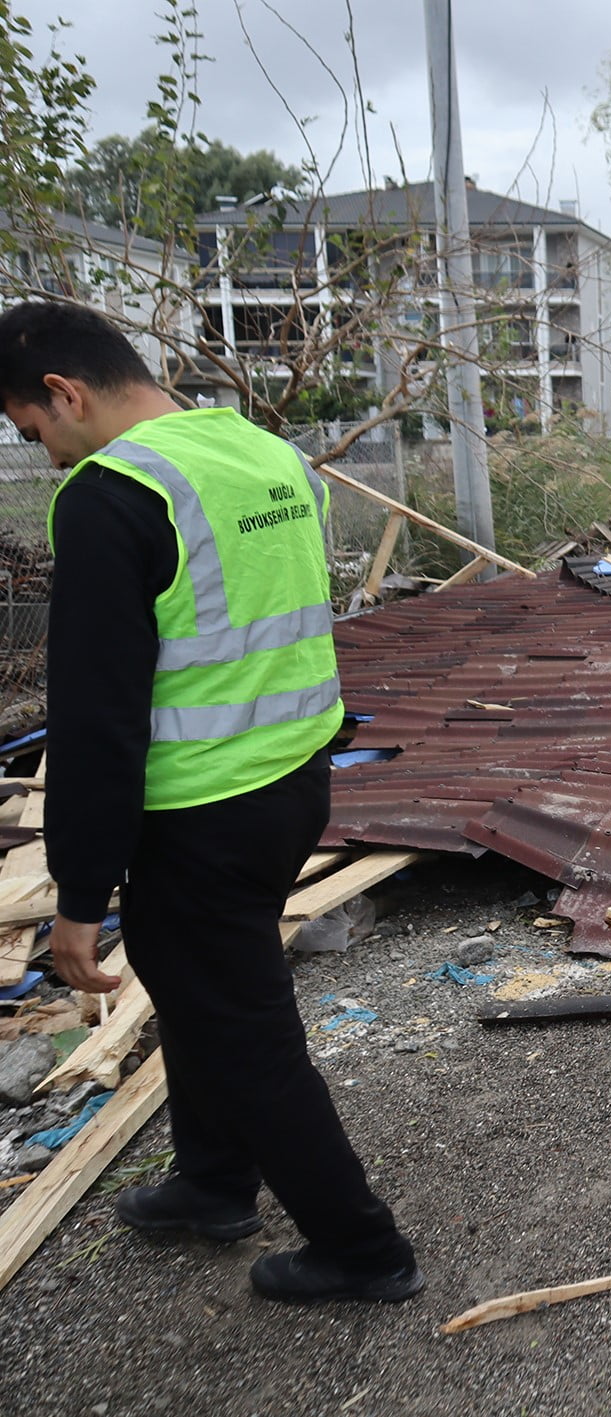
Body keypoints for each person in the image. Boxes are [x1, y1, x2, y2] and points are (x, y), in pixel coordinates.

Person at [0, 300, 421, 1303]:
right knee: (201, 996)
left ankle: (364, 1251)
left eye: (33, 432)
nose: (47, 456)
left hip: (200, 816)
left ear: (65, 393)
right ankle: (211, 1183)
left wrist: (79, 896)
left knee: (246, 1037)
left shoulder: (113, 494)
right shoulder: (262, 452)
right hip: (290, 782)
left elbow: (99, 717)